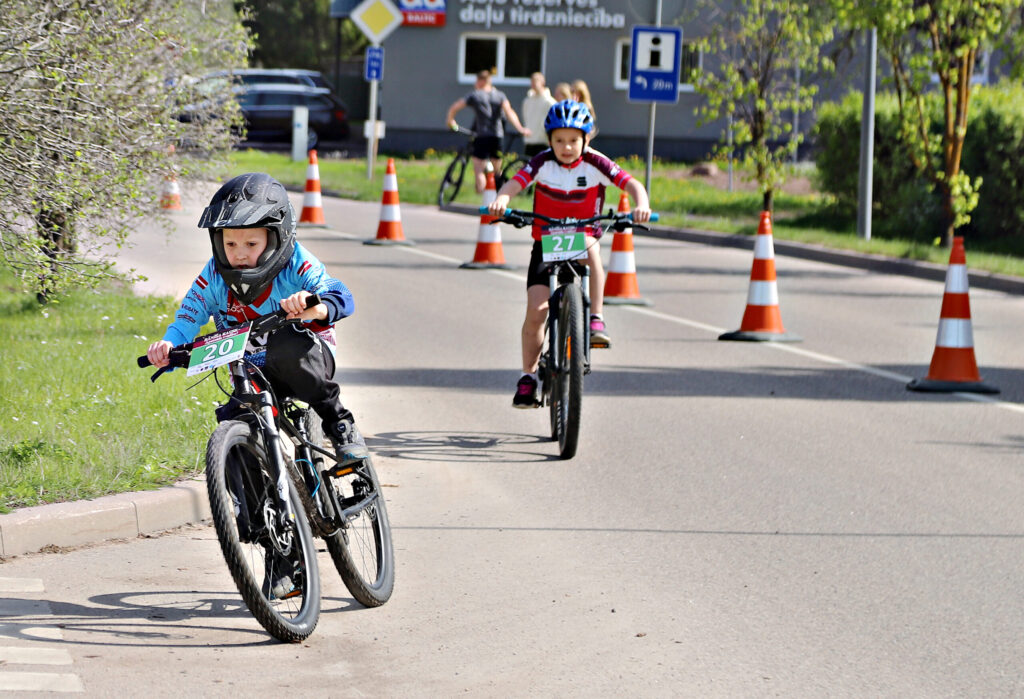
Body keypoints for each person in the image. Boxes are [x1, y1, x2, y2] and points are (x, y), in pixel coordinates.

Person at [145, 172, 368, 467]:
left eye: (251, 244)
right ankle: (257, 490)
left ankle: (340, 425)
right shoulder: (213, 276)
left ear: (276, 237)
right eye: (230, 245)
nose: (239, 255)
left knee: (287, 345)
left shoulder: (297, 262)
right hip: (251, 372)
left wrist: (316, 307)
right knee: (235, 431)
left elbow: (340, 294)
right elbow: (187, 316)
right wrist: (168, 345)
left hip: (306, 358)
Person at [487, 100, 651, 408]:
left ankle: (596, 318)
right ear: (549, 140)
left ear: (586, 139)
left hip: (582, 238)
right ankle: (527, 377)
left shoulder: (596, 163)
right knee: (536, 312)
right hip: (546, 242)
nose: (566, 147)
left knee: (592, 250)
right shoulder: (541, 162)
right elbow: (514, 183)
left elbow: (632, 185)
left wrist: (641, 204)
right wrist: (501, 200)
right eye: (559, 140)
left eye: (574, 140)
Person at [445, 70, 531, 194]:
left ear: (482, 81)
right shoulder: (500, 95)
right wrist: (520, 128)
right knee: (497, 171)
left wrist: (450, 121)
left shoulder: (475, 95)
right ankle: (501, 194)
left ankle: (482, 197)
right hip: (497, 136)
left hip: (482, 136)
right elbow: (509, 112)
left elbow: (455, 107)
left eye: (476, 81)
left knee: (479, 170)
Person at [520, 72, 556, 157]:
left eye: (536, 81)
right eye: (532, 81)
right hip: (530, 141)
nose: (533, 84)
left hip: (543, 142)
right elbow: (526, 118)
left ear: (542, 82)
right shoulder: (527, 101)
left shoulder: (549, 102)